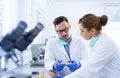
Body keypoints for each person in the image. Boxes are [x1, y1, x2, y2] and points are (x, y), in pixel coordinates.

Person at [62, 14, 120, 78]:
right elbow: (92, 62)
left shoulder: (106, 43)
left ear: (92, 31)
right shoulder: (98, 42)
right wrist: (79, 63)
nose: (80, 34)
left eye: (82, 31)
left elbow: (89, 69)